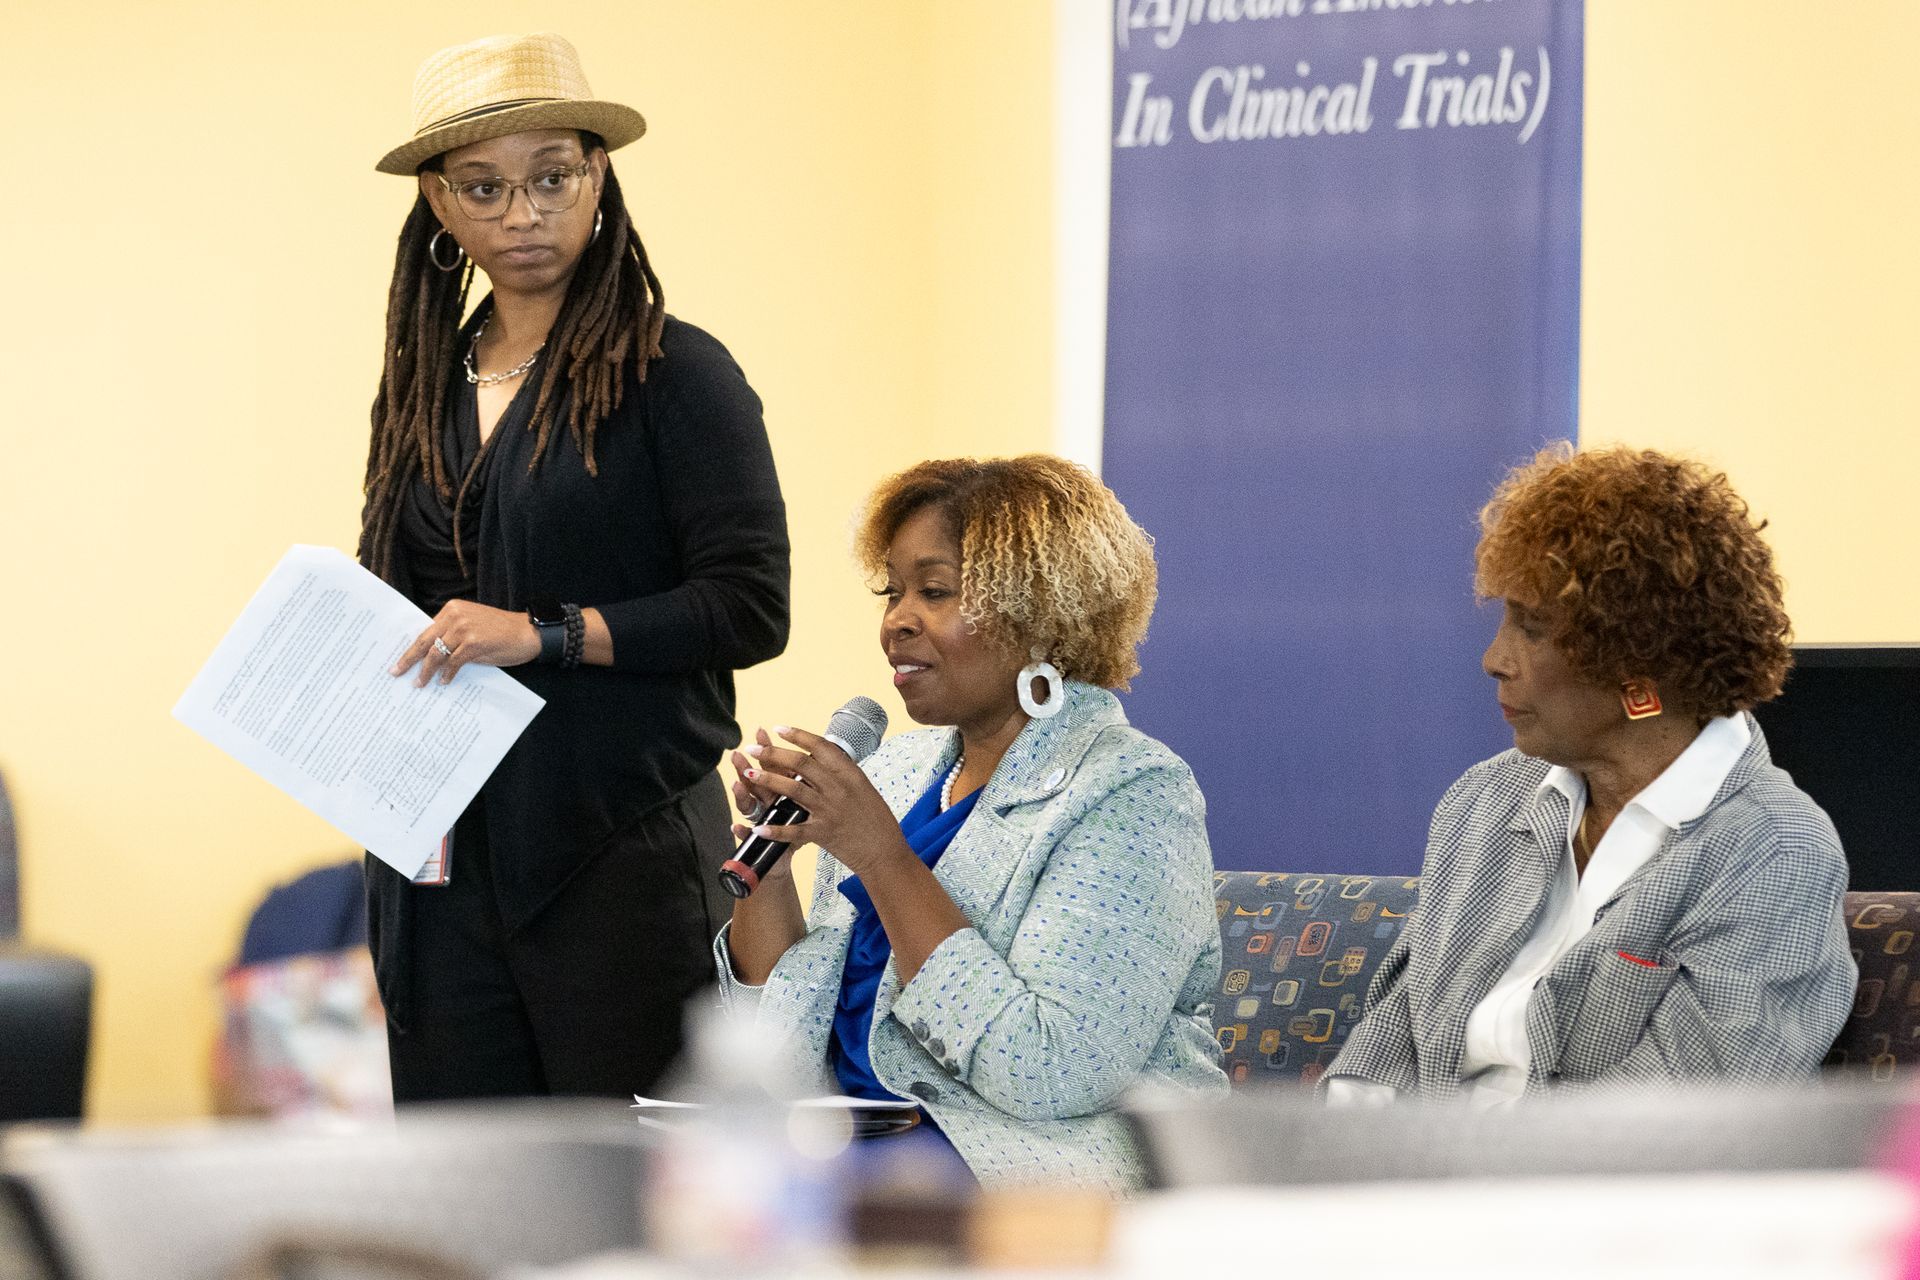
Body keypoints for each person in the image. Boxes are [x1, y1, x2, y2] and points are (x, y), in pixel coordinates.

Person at [358, 33, 789, 1101]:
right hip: (444, 862)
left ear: (598, 173)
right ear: (439, 202)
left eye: (553, 176)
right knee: (468, 1207)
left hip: (616, 854)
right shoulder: (424, 386)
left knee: (625, 1207)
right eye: (486, 187)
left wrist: (547, 630)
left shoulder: (675, 372)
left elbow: (749, 605)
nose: (523, 213)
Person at [715, 456, 1226, 1189]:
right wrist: (770, 870)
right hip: (845, 1150)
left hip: (1034, 1167)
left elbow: (1049, 1070)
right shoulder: (891, 775)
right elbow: (780, 1048)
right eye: (892, 592)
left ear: (1043, 611)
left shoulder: (1133, 792)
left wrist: (883, 858)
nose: (897, 621)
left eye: (935, 591)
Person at [1325, 445, 1856, 1104]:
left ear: (1636, 665)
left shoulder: (1773, 856)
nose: (1494, 658)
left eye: (1534, 628)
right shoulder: (1483, 802)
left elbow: (1666, 1136)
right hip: (1404, 1188)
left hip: (1572, 1199)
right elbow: (1389, 1046)